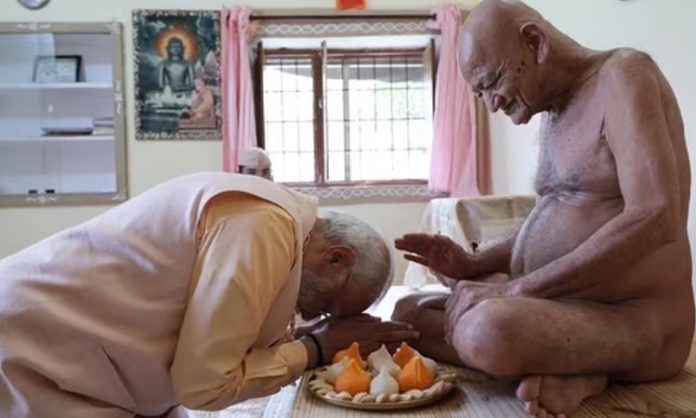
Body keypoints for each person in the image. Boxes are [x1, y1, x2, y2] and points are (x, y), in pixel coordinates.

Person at [393, 1, 693, 417]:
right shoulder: (552, 111)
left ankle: (590, 366)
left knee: (485, 330)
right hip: (567, 308)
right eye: (479, 94)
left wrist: (516, 289)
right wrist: (474, 263)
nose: (491, 105)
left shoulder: (624, 74)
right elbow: (551, 221)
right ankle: (574, 366)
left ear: (534, 43)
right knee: (408, 314)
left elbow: (656, 215)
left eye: (491, 82)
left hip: (635, 316)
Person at [0, 172, 417, 418]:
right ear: (337, 258)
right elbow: (203, 386)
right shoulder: (264, 228)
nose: (313, 316)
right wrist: (316, 348)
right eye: (327, 308)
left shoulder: (276, 224)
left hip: (78, 360)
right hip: (29, 346)